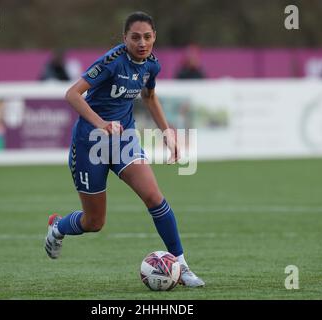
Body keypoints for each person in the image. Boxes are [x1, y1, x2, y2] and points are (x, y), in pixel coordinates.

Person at [44, 11, 205, 287]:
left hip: (124, 141)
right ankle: (58, 227)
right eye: (135, 37)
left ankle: (181, 265)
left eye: (147, 37)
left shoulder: (152, 65)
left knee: (154, 196)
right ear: (124, 38)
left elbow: (150, 96)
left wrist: (167, 132)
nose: (141, 43)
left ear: (154, 37)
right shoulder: (111, 62)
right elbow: (72, 93)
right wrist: (100, 123)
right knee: (94, 222)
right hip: (89, 144)